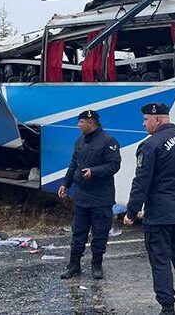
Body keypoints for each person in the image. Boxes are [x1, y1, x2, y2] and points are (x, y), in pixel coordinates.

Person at [124, 103, 175, 315]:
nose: (143, 124)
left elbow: (141, 182)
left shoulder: (150, 145)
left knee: (160, 260)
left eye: (145, 120)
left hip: (160, 214)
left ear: (158, 119)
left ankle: (167, 307)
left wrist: (132, 212)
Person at [58, 109, 121, 280]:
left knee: (100, 234)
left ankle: (96, 265)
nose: (78, 125)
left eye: (81, 122)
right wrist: (65, 184)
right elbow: (73, 164)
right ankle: (74, 266)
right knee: (78, 232)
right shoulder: (80, 141)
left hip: (101, 197)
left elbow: (114, 165)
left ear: (91, 122)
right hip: (82, 197)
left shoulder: (108, 141)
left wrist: (94, 172)